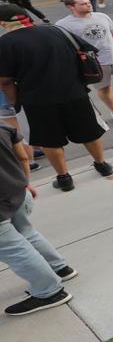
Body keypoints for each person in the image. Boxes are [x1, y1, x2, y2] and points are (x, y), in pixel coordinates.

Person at [0, 4, 113, 192]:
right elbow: (86, 52)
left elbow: (4, 81)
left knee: (49, 141)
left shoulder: (5, 43)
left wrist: (15, 102)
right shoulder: (57, 31)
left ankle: (64, 178)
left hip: (36, 101)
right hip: (74, 93)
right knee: (88, 133)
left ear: (4, 23)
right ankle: (103, 165)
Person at [2, 117, 80, 317]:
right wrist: (25, 182)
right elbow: (23, 157)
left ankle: (49, 291)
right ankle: (60, 267)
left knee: (13, 248)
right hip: (17, 190)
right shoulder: (3, 126)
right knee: (26, 232)